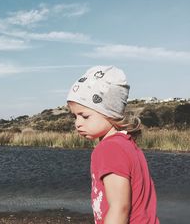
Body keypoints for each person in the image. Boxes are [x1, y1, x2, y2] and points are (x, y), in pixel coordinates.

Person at [66, 66, 159, 224]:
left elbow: (119, 208)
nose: (77, 123)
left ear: (110, 113)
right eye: (75, 116)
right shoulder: (127, 144)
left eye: (85, 116)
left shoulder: (109, 149)